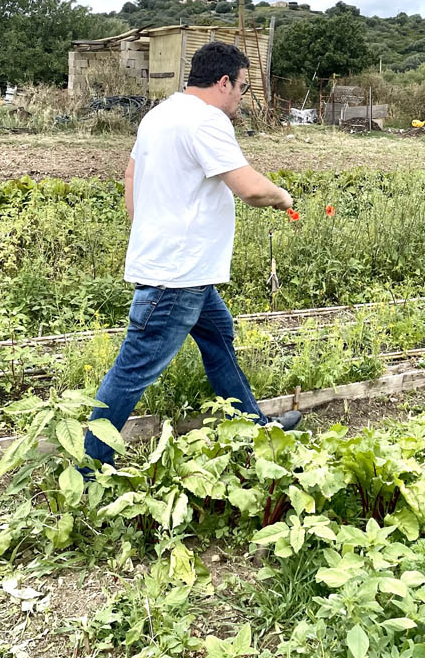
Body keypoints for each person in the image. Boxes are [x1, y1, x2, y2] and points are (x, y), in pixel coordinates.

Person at [83, 40, 301, 469]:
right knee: (133, 369)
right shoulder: (207, 120)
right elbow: (249, 187)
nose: (241, 97)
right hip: (178, 275)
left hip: (185, 270)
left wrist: (146, 228)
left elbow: (131, 174)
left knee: (219, 337)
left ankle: (250, 425)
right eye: (241, 87)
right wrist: (282, 196)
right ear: (223, 82)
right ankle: (87, 466)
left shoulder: (159, 114)